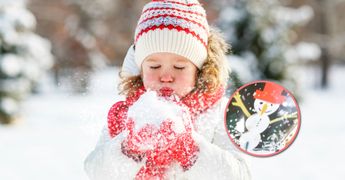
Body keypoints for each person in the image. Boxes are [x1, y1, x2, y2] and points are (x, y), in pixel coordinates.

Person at [84, 0, 251, 179]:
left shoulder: (220, 113)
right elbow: (96, 171)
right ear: (140, 69)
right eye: (154, 66)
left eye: (179, 67)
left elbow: (239, 174)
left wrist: (192, 151)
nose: (166, 77)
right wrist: (128, 148)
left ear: (200, 70)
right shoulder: (129, 113)